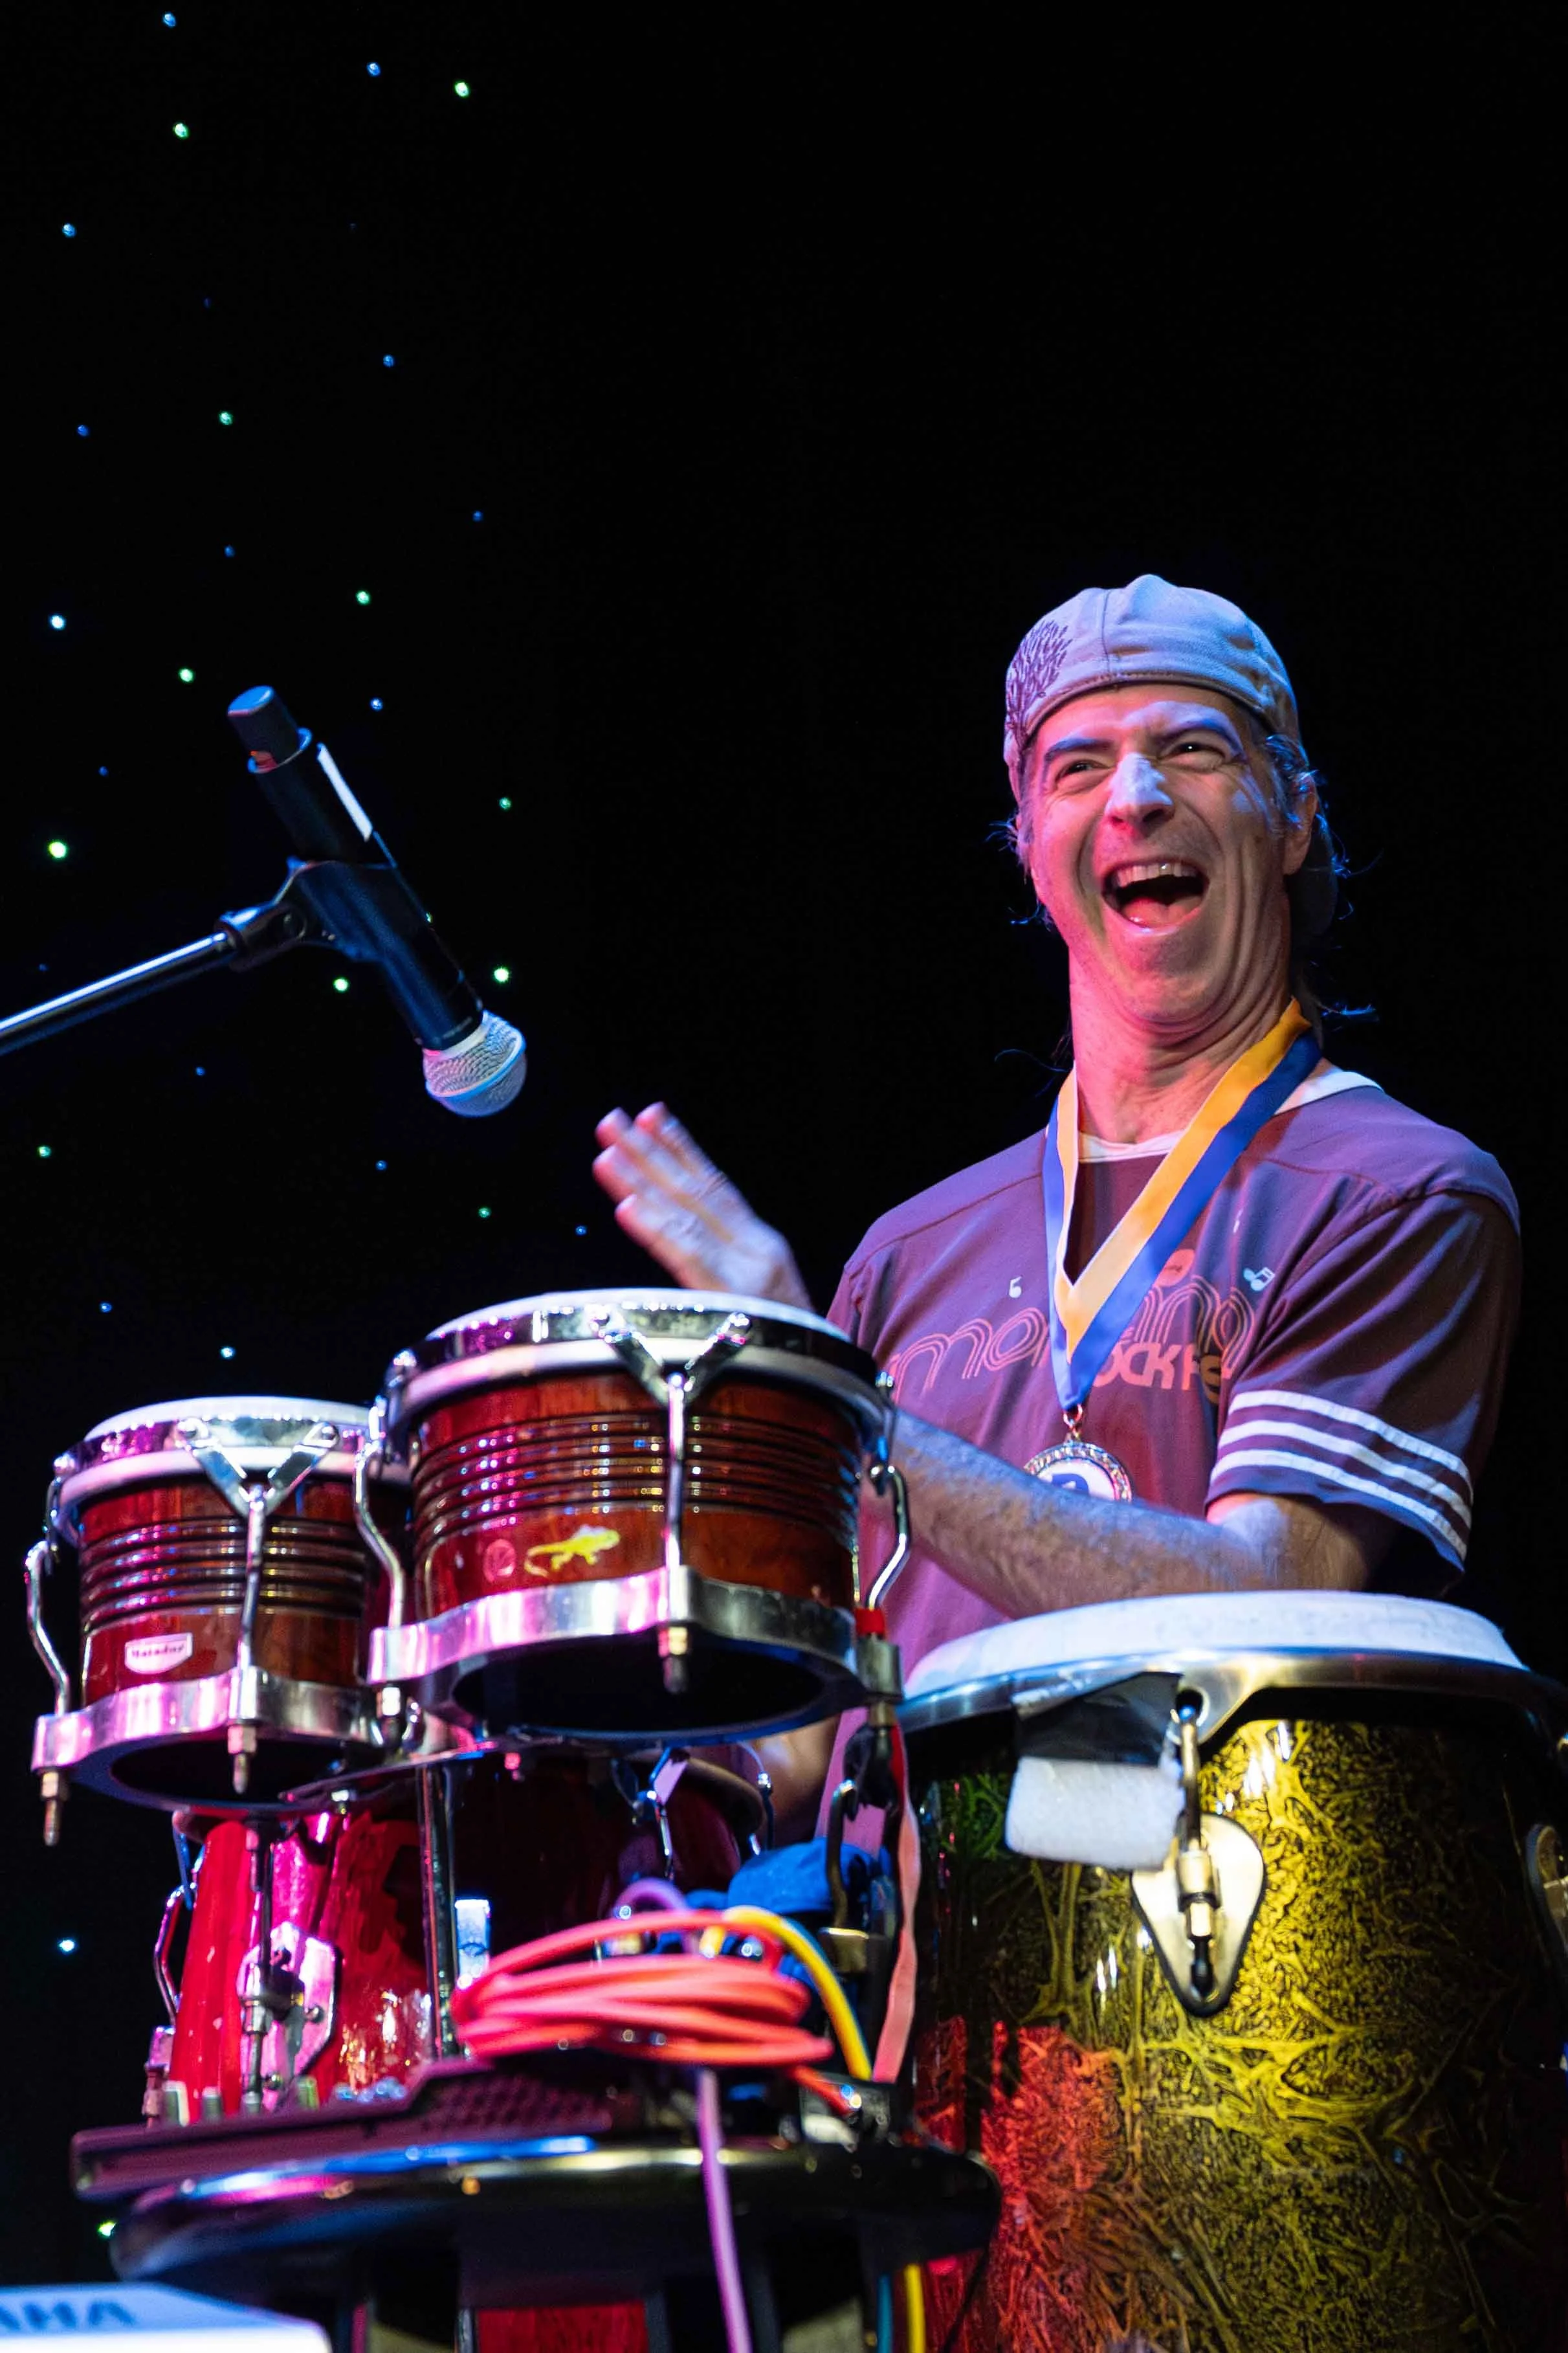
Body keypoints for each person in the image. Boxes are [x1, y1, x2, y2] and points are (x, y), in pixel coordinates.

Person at [591, 575, 1519, 1827]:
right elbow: (813, 1743)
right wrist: (592, 1762)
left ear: (1292, 816)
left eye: (1191, 750)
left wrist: (829, 1400)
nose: (1135, 796)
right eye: (1078, 766)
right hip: (900, 1997)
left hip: (1209, 1973)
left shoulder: (1397, 1193)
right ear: (1030, 844)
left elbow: (1253, 1605)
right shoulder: (907, 1253)